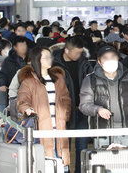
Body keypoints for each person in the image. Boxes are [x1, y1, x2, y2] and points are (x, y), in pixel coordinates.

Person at [17, 47, 72, 169]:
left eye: (50, 56)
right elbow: (22, 100)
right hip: (41, 126)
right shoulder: (29, 81)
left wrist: (65, 114)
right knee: (44, 160)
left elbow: (66, 98)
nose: (50, 59)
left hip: (59, 126)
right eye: (46, 57)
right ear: (38, 60)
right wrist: (27, 110)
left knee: (61, 160)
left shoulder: (58, 78)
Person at [79, 45, 128, 146]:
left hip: (127, 132)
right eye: (105, 58)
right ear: (99, 62)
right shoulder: (90, 80)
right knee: (105, 160)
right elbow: (84, 105)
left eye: (113, 57)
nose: (110, 60)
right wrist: (98, 109)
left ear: (118, 58)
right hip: (103, 133)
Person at [51, 37, 93, 173]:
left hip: (82, 110)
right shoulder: (54, 64)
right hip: (63, 111)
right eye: (76, 52)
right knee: (64, 145)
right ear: (67, 50)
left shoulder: (85, 64)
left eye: (81, 52)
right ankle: (65, 170)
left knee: (82, 146)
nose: (79, 55)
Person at [0, 36, 28, 113]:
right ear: (15, 47)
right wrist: (2, 84)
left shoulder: (31, 58)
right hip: (14, 92)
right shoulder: (9, 60)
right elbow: (3, 74)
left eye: (24, 45)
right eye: (21, 45)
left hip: (29, 92)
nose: (23, 47)